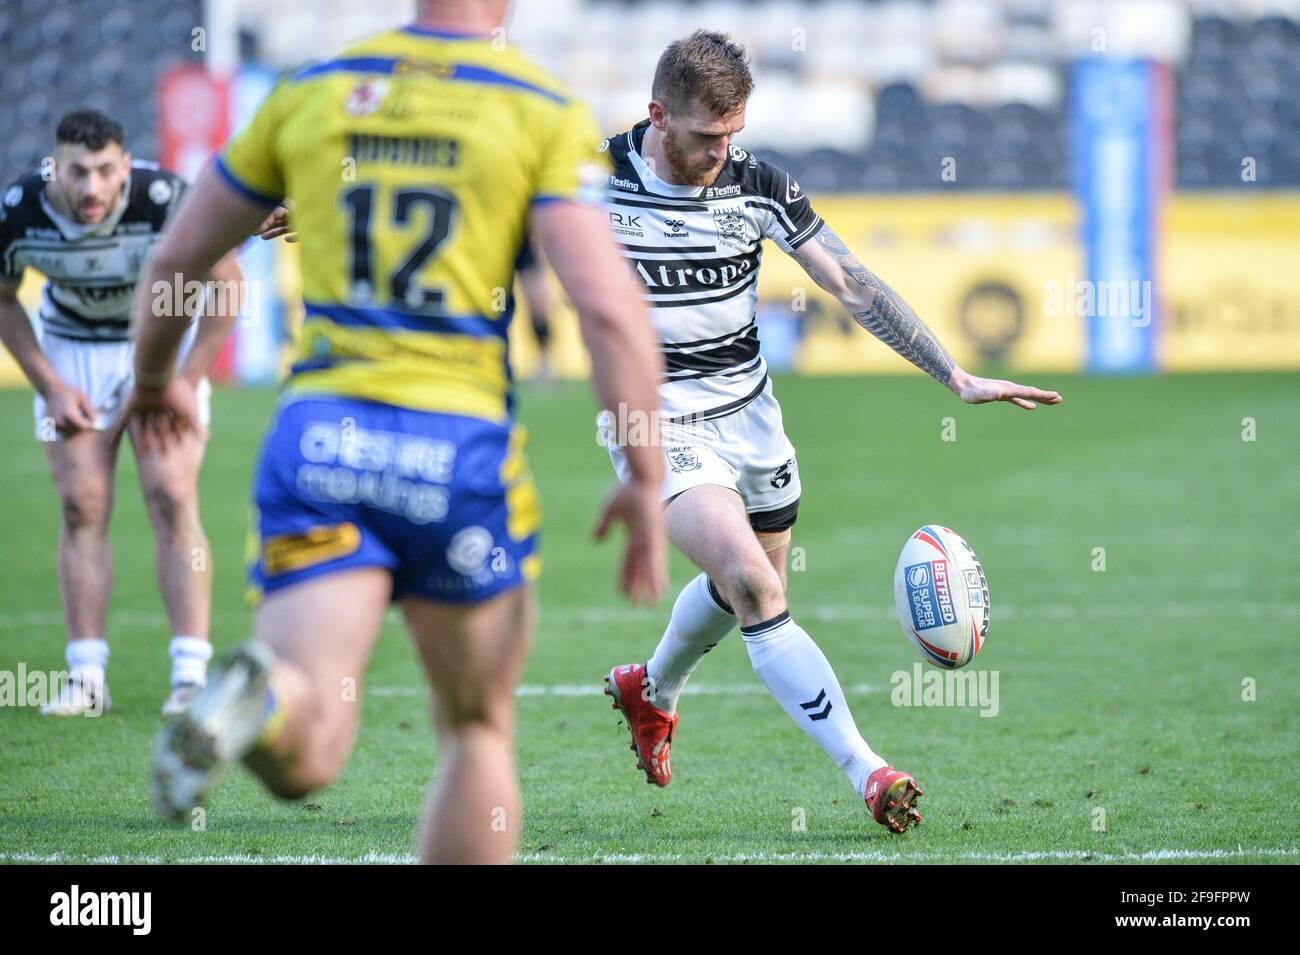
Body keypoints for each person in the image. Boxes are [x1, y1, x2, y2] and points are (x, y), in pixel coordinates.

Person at [128, 0, 666, 864]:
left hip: (323, 443)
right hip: (454, 455)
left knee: (306, 745)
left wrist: (155, 382)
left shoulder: (318, 88)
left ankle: (258, 702)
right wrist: (645, 474)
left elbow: (175, 263)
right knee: (476, 731)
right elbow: (607, 310)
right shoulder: (538, 103)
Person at [598, 31, 1062, 833]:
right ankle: (869, 770)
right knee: (757, 588)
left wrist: (952, 374)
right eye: (708, 136)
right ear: (658, 115)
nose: (723, 151)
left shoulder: (758, 185)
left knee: (741, 586)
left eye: (734, 133)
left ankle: (652, 687)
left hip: (752, 417)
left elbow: (851, 281)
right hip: (656, 420)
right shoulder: (590, 181)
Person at [0, 108, 242, 717]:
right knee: (83, 503)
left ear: (125, 166)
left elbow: (227, 285)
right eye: (77, 173)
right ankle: (87, 679)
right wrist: (50, 384)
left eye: (106, 171)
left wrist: (185, 379)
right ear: (55, 167)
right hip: (72, 352)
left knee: (170, 494)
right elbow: (3, 299)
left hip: (155, 348)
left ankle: (190, 678)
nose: (92, 189)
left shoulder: (165, 199)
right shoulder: (19, 210)